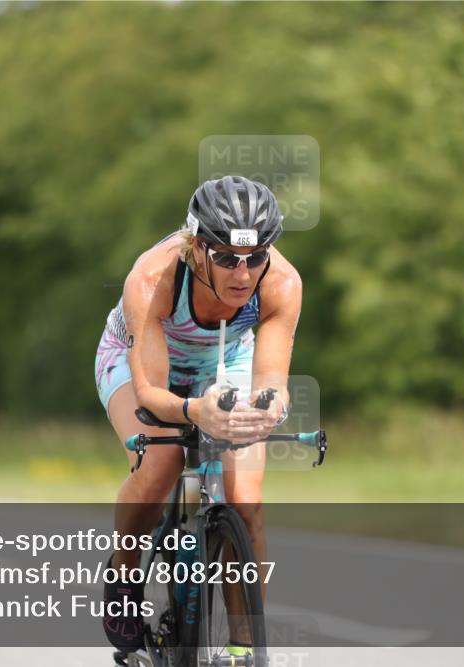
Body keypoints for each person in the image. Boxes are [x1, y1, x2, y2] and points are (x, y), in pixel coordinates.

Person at [94, 176, 302, 658]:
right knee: (162, 463)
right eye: (226, 257)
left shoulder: (283, 283)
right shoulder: (153, 277)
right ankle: (124, 571)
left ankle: (245, 651)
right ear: (196, 247)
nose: (243, 274)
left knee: (245, 500)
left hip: (224, 360)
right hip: (141, 361)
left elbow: (273, 384)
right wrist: (195, 411)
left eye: (255, 256)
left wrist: (266, 409)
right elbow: (150, 393)